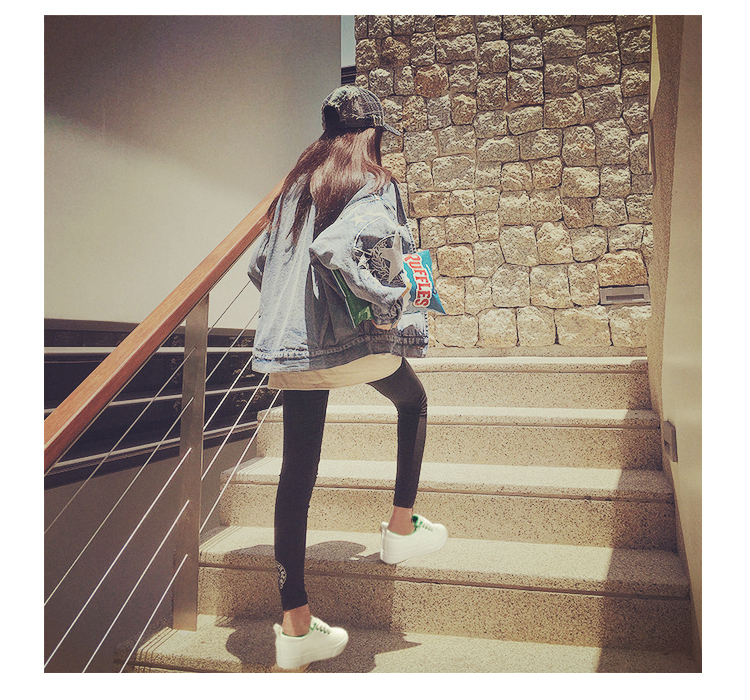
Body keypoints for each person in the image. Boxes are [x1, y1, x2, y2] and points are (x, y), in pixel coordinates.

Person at [247, 85, 448, 671]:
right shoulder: (376, 183)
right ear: (372, 134)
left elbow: (259, 265)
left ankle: (295, 626)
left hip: (296, 356)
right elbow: (344, 247)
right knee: (414, 403)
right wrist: (389, 304)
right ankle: (400, 527)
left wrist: (295, 311)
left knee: (296, 476)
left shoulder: (293, 191)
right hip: (355, 345)